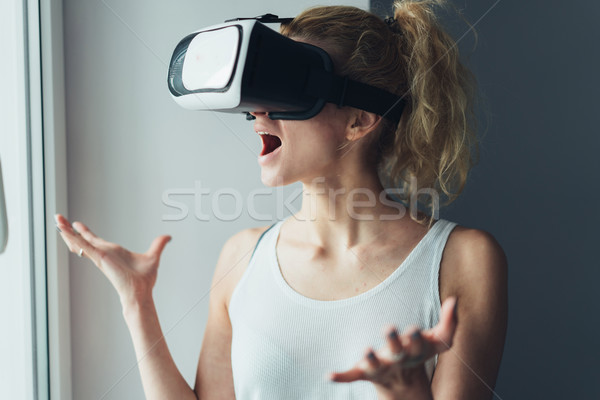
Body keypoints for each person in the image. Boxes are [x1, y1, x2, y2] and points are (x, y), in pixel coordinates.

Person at [55, 1, 507, 399]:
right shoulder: (242, 257)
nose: (257, 113)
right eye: (257, 96)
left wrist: (406, 395)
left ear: (360, 120)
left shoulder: (462, 260)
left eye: (285, 92)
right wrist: (138, 302)